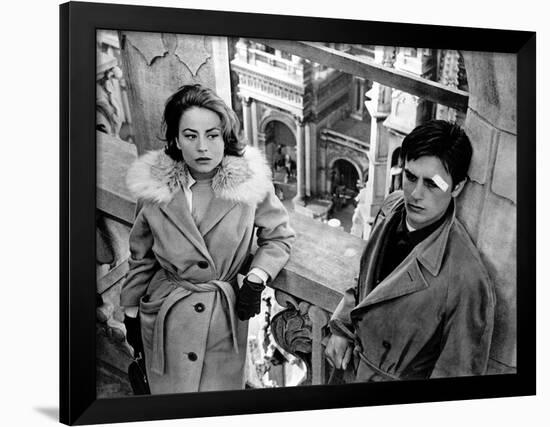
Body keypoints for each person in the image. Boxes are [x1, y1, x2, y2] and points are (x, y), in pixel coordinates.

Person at [120, 84, 295, 394]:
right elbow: (142, 258)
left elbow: (279, 236)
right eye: (191, 136)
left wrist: (256, 277)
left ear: (224, 137)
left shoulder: (249, 185)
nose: (203, 147)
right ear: (175, 139)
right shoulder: (154, 189)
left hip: (222, 323)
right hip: (167, 317)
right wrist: (131, 314)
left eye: (212, 135)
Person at [325, 120, 495, 381]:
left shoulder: (468, 278)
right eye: (410, 176)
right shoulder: (391, 206)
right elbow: (365, 281)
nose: (415, 194)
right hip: (349, 371)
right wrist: (342, 327)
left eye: (432, 184)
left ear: (457, 187)